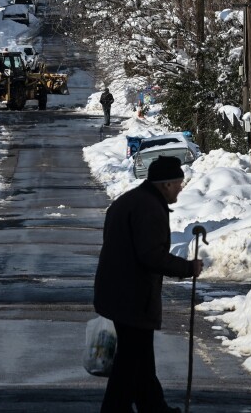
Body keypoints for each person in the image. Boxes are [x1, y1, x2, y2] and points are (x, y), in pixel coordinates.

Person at [94, 156, 202, 413]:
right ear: (165, 184)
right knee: (130, 361)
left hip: (119, 292)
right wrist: (188, 268)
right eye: (178, 182)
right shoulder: (149, 208)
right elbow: (150, 255)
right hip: (131, 297)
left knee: (139, 359)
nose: (181, 187)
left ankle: (153, 406)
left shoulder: (132, 200)